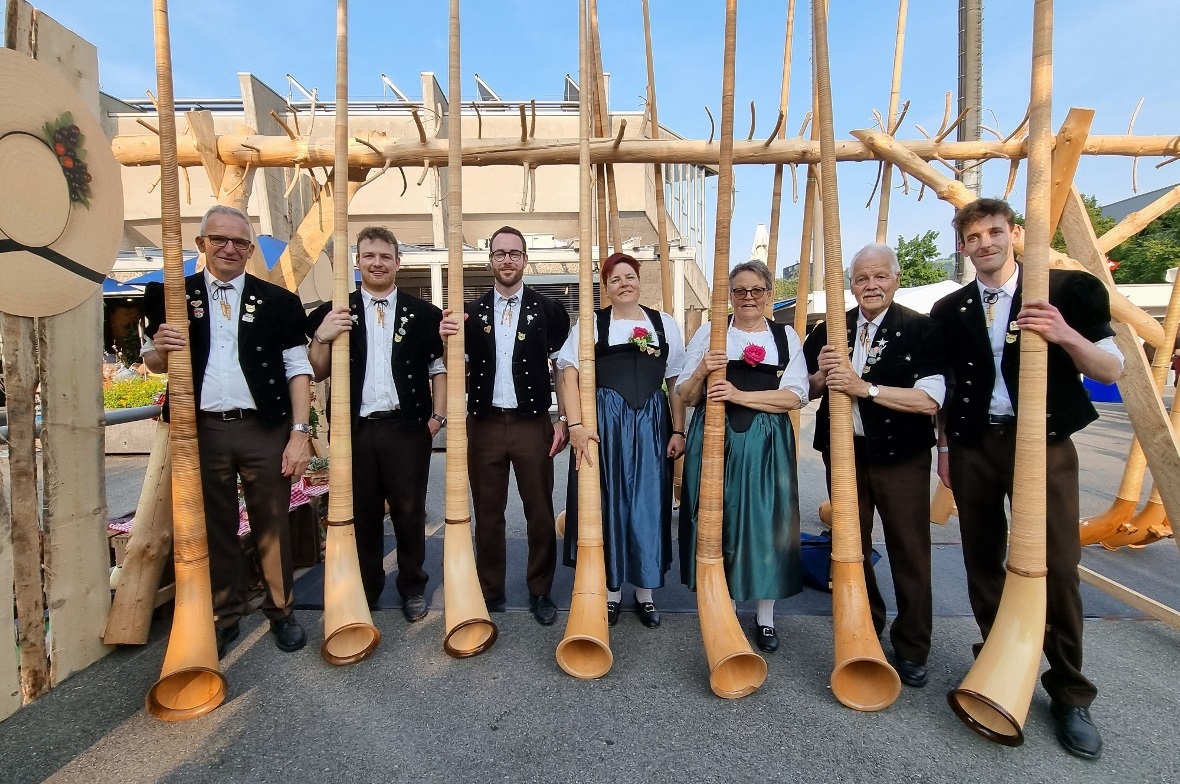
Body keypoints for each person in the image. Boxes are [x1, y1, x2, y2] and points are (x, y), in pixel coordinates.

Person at [930, 198, 1123, 760]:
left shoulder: (1067, 290)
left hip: (1044, 443)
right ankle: (997, 663)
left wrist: (1064, 333)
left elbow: (1111, 368)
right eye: (973, 237)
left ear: (1013, 234)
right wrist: (945, 448)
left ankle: (1070, 691)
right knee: (981, 557)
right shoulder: (950, 307)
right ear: (963, 247)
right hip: (974, 444)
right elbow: (946, 386)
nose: (984, 243)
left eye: (994, 232)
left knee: (1058, 564)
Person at [142, 205, 313, 658]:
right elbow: (154, 363)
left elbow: (298, 369)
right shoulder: (174, 295)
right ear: (202, 244)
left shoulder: (278, 301)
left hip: (264, 427)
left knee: (272, 524)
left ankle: (282, 612)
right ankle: (225, 615)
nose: (229, 248)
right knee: (214, 526)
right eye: (219, 239)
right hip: (200, 430)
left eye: (239, 242)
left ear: (250, 250)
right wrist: (159, 349)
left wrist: (299, 434)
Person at [803, 243, 946, 688]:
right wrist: (821, 376)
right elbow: (804, 390)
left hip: (902, 454)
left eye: (880, 276)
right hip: (844, 452)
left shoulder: (922, 329)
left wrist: (865, 388)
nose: (871, 285)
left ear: (896, 280)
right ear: (851, 284)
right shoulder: (831, 329)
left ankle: (913, 646)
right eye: (862, 278)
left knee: (909, 548)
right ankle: (865, 628)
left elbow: (930, 400)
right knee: (851, 545)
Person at [306, 226, 446, 622]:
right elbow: (316, 371)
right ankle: (367, 588)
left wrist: (437, 418)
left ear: (398, 262)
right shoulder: (336, 311)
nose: (378, 263)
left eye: (385, 256)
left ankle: (412, 586)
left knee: (409, 511)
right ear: (358, 261)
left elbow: (438, 368)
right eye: (369, 256)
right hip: (355, 430)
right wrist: (322, 336)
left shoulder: (425, 315)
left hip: (408, 428)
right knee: (363, 512)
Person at [439, 226, 571, 625]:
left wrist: (564, 418)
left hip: (533, 423)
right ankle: (490, 590)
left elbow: (562, 368)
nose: (507, 260)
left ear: (525, 259)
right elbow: (454, 367)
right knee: (488, 512)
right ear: (490, 260)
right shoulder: (470, 312)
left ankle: (540, 590)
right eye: (500, 253)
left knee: (540, 511)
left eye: (514, 253)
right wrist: (446, 340)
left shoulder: (550, 310)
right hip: (484, 424)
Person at [676, 260, 808, 653]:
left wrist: (740, 395)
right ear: (730, 296)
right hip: (714, 438)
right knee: (719, 519)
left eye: (756, 290)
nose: (748, 297)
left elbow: (795, 396)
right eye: (739, 291)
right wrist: (703, 370)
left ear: (768, 294)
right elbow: (686, 395)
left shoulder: (785, 336)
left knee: (766, 522)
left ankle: (765, 617)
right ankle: (725, 610)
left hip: (766, 440)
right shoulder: (710, 332)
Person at [558, 253, 688, 628]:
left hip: (651, 422)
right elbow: (568, 374)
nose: (624, 284)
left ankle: (646, 592)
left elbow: (676, 381)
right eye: (615, 279)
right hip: (606, 422)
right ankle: (611, 590)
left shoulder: (663, 323)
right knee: (609, 501)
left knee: (649, 502)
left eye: (629, 276)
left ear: (640, 281)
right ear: (606, 287)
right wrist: (576, 425)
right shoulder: (592, 323)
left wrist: (678, 430)